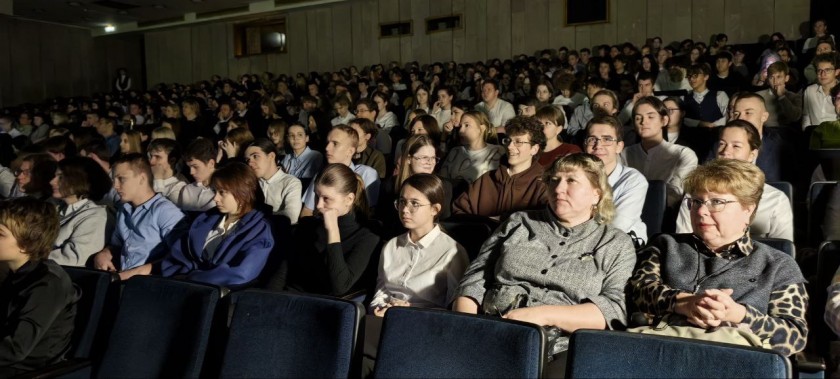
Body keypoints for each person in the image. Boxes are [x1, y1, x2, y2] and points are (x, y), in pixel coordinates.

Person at [454, 153, 636, 359]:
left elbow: (613, 308)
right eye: (554, 180)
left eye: (571, 181)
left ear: (597, 194)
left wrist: (542, 314)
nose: (558, 189)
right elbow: (475, 278)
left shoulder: (615, 243)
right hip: (491, 329)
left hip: (561, 348)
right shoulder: (518, 223)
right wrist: (466, 331)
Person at [629, 158, 807, 356]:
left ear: (747, 209)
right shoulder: (665, 245)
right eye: (696, 201)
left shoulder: (777, 265)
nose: (701, 211)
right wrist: (683, 303)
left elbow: (794, 336)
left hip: (731, 361)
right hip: (661, 352)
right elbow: (637, 291)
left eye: (716, 202)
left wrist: (737, 314)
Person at [266, 163, 381, 297]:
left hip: (325, 306)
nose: (318, 205)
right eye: (316, 196)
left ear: (349, 199)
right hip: (291, 299)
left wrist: (333, 231)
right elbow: (281, 274)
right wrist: (268, 303)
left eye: (326, 199)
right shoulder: (307, 226)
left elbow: (340, 287)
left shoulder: (367, 236)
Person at [675, 120, 793, 241]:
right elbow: (683, 242)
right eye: (721, 144)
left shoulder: (776, 199)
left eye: (736, 146)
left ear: (752, 154)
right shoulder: (696, 195)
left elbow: (782, 249)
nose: (725, 151)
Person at [0, 197, 78, 376]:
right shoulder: (11, 272)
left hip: (27, 371)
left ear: (26, 244)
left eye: (0, 234)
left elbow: (16, 348)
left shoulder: (48, 283)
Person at [162, 163, 273, 288]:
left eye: (222, 192)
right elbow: (178, 255)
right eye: (215, 191)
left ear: (243, 193)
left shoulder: (259, 230)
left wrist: (192, 278)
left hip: (217, 294)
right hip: (182, 285)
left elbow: (241, 274)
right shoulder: (205, 219)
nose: (215, 198)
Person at [371, 174, 468, 314]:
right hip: (385, 317)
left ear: (434, 209)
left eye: (414, 203)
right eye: (402, 201)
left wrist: (410, 311)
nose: (404, 209)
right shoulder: (391, 245)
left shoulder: (452, 252)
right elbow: (380, 292)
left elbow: (454, 309)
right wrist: (379, 309)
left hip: (425, 323)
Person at [92, 154, 187, 280]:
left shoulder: (166, 211)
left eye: (121, 179)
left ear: (142, 178)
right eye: (114, 179)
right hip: (123, 277)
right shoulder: (124, 209)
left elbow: (178, 257)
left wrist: (134, 273)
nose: (115, 185)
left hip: (152, 283)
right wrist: (104, 253)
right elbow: (116, 244)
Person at [452, 116, 547, 220]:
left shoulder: (542, 184)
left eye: (518, 142)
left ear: (534, 149)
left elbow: (544, 222)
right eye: (508, 140)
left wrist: (502, 220)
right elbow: (459, 209)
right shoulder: (488, 178)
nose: (510, 146)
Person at [622, 97, 698, 207]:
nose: (644, 122)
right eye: (638, 118)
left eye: (650, 117)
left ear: (664, 120)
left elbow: (675, 194)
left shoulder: (683, 154)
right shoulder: (624, 153)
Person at [584, 115, 649, 244]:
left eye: (607, 139)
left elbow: (617, 227)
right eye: (592, 139)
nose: (598, 145)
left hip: (619, 244)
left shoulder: (633, 180)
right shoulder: (576, 176)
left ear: (619, 146)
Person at [300, 126, 380, 217]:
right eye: (327, 142)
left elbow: (369, 213)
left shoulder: (367, 174)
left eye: (335, 143)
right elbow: (307, 211)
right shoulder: (321, 174)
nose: (327, 148)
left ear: (350, 151)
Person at [49, 157, 113, 266]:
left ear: (80, 180)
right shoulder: (56, 208)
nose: (52, 182)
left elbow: (73, 259)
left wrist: (26, 258)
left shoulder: (96, 217)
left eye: (61, 177)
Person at [244, 139, 302, 224]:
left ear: (271, 156)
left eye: (255, 156)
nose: (250, 163)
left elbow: (291, 216)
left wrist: (256, 218)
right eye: (247, 160)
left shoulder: (291, 182)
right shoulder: (250, 183)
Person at [438, 111, 504, 185]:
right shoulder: (455, 151)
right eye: (460, 126)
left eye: (467, 125)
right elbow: (441, 181)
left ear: (482, 128)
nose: (460, 131)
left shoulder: (497, 151)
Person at [755, 61, 803, 128]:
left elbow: (795, 117)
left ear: (786, 78)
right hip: (765, 131)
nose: (775, 81)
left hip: (786, 132)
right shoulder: (758, 96)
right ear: (768, 80)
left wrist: (782, 97)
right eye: (771, 77)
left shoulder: (794, 97)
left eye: (779, 77)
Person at [683, 63, 729, 128]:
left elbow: (728, 115)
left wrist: (712, 125)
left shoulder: (719, 95)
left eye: (695, 75)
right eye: (689, 76)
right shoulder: (684, 98)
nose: (691, 79)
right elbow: (681, 118)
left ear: (706, 77)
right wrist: (699, 123)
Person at [178, 138, 218, 212]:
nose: (191, 172)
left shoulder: (226, 189)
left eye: (195, 167)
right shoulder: (187, 190)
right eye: (189, 167)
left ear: (211, 163)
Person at [281, 123, 324, 189]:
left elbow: (306, 182)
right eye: (291, 135)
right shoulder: (287, 157)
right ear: (288, 139)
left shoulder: (315, 156)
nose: (295, 138)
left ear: (307, 138)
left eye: (300, 135)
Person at [803, 53, 840, 129]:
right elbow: (806, 116)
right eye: (819, 70)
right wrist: (806, 133)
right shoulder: (810, 91)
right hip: (814, 135)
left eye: (827, 70)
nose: (823, 74)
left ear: (837, 72)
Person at [148, 138, 187, 204]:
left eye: (158, 157)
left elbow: (160, 208)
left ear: (172, 161)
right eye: (151, 156)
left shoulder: (180, 187)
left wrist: (158, 179)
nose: (151, 161)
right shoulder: (148, 176)